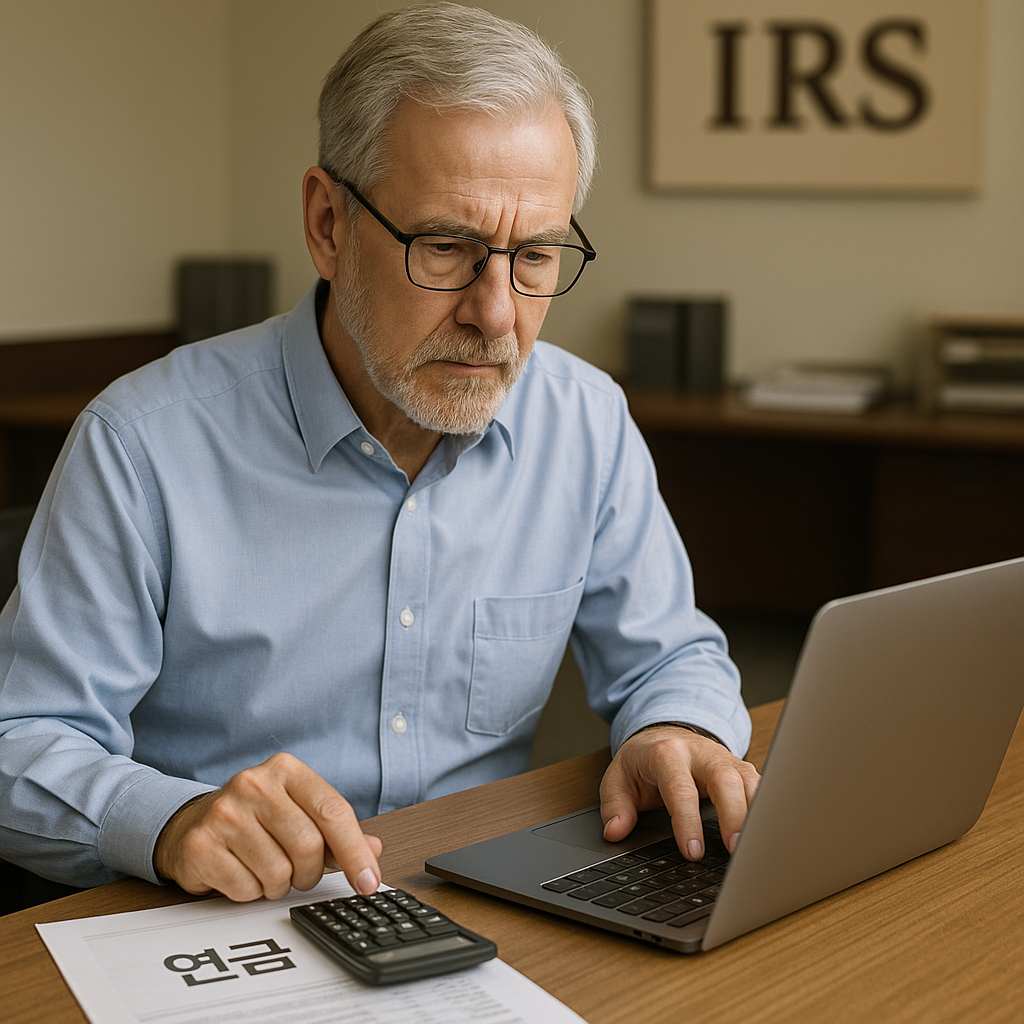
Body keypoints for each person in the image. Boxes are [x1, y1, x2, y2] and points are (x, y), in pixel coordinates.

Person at [0, 3, 757, 904]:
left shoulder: (585, 420)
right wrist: (167, 821)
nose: (498, 314)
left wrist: (676, 730)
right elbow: (22, 741)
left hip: (482, 904)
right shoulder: (142, 443)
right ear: (327, 223)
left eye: (538, 256)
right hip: (217, 925)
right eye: (446, 247)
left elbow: (670, 654)